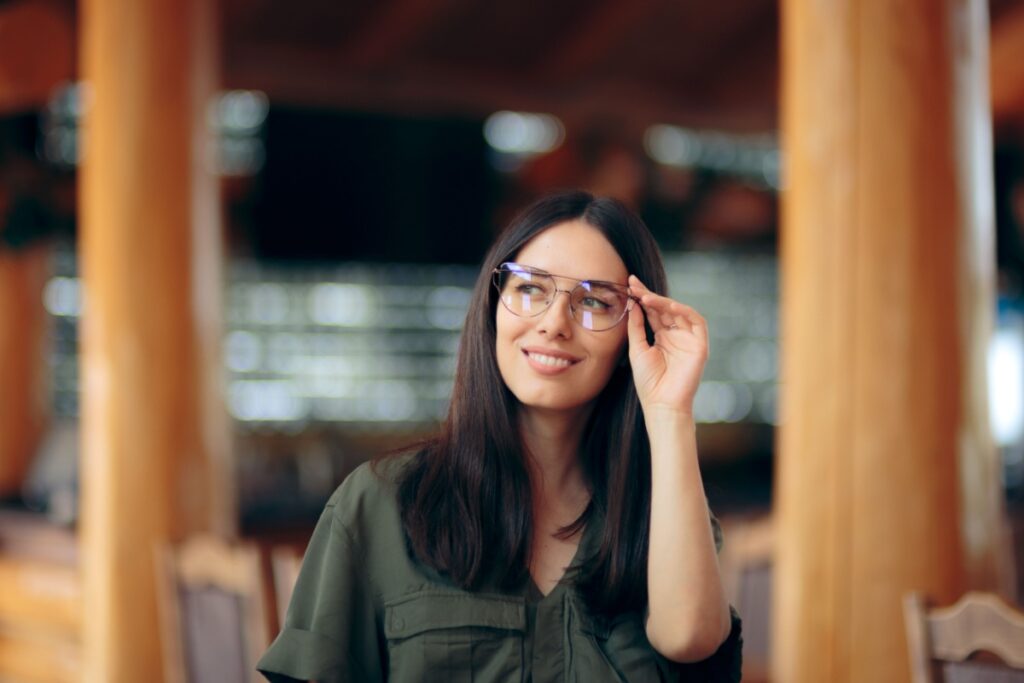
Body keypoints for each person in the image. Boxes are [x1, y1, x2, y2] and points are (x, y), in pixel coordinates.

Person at [257, 190, 743, 682]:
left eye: (594, 301)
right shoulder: (380, 503)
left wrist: (669, 410)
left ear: (632, 338)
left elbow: (690, 640)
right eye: (530, 289)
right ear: (493, 307)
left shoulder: (662, 515)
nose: (554, 324)